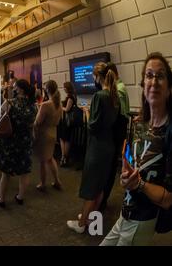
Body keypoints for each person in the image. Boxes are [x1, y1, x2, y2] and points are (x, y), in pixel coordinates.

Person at [100, 53, 172, 246]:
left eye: (160, 76)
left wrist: (139, 184)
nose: (154, 81)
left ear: (169, 89)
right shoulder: (140, 124)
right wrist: (126, 175)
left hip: (144, 219)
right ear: (143, 84)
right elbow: (132, 168)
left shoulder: (169, 131)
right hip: (125, 214)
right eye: (149, 75)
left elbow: (168, 200)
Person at [67, 62, 120, 234]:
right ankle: (92, 220)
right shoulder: (114, 95)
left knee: (91, 187)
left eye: (94, 77)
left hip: (97, 148)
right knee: (100, 186)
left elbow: (92, 126)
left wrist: (87, 112)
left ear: (98, 77)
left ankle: (82, 224)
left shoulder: (99, 96)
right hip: (108, 146)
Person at [0, 79, 38, 208]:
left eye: (14, 87)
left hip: (10, 143)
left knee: (6, 174)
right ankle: (20, 197)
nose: (13, 88)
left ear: (20, 89)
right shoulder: (33, 105)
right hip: (25, 142)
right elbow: (32, 123)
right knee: (24, 172)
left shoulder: (9, 103)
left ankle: (2, 199)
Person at [99, 62, 131, 212]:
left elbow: (120, 113)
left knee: (110, 167)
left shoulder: (119, 89)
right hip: (117, 131)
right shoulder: (119, 87)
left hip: (116, 133)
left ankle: (103, 199)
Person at [33, 80, 63, 192]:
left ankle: (42, 183)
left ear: (47, 90)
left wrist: (38, 110)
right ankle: (56, 181)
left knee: (42, 161)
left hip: (43, 134)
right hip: (53, 133)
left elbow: (37, 122)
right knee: (50, 158)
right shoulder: (58, 105)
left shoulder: (45, 105)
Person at [59, 82, 78, 167]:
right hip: (69, 121)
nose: (64, 89)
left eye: (64, 87)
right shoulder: (73, 96)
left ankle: (64, 157)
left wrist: (60, 107)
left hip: (67, 121)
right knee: (65, 139)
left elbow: (67, 109)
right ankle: (64, 157)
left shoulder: (70, 98)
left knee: (64, 139)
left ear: (67, 88)